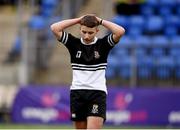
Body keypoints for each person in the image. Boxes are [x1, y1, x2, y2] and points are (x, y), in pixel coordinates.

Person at [50, 14, 125, 129]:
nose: (86, 36)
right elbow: (54, 28)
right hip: (77, 93)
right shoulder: (73, 44)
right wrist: (78, 20)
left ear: (97, 31)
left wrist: (100, 20)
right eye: (84, 32)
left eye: (90, 33)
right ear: (80, 29)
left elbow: (120, 31)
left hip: (97, 93)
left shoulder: (103, 45)